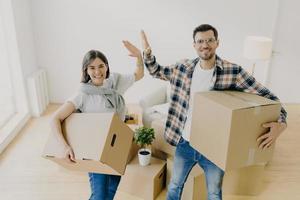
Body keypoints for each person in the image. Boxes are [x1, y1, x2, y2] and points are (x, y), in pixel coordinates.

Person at [124, 24, 287, 200]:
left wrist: (282, 123)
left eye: (210, 40)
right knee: (175, 186)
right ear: (194, 45)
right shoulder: (183, 68)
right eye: (200, 41)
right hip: (184, 143)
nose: (205, 45)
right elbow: (157, 71)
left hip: (214, 148)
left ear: (217, 43)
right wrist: (147, 53)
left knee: (215, 193)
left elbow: (269, 97)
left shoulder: (233, 72)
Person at [50, 47, 143, 200]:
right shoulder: (82, 94)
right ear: (86, 70)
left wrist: (139, 56)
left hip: (118, 147)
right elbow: (55, 118)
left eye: (101, 66)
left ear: (107, 66)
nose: (97, 71)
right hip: (96, 151)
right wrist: (64, 146)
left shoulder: (115, 82)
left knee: (110, 191)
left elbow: (139, 74)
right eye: (92, 67)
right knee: (100, 196)